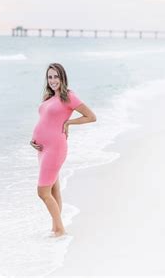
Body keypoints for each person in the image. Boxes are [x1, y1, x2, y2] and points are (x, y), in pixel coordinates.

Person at [30, 63, 96, 237]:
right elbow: (45, 120)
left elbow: (91, 116)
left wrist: (69, 123)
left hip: (55, 148)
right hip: (42, 149)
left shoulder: (69, 96)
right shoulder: (48, 97)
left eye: (56, 77)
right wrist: (34, 140)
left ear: (62, 77)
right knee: (53, 190)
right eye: (50, 77)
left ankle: (59, 229)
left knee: (42, 191)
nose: (53, 81)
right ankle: (56, 227)